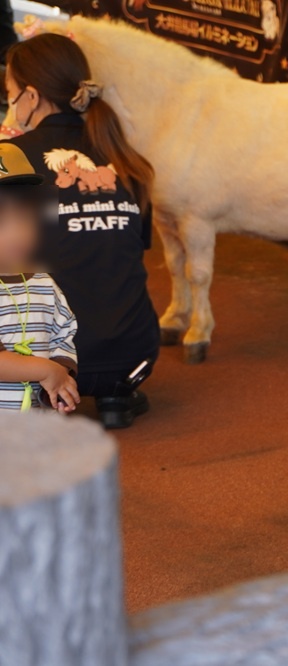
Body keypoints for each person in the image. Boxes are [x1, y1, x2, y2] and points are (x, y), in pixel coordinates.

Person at [5, 33, 159, 429]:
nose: (10, 105)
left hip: (47, 364)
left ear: (31, 96)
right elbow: (129, 249)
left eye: (10, 93)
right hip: (136, 358)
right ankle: (115, 398)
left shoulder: (14, 161)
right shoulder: (127, 159)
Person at [0, 142, 79, 413]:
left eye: (25, 217)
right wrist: (46, 371)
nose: (17, 232)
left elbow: (63, 335)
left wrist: (62, 377)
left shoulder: (44, 283)